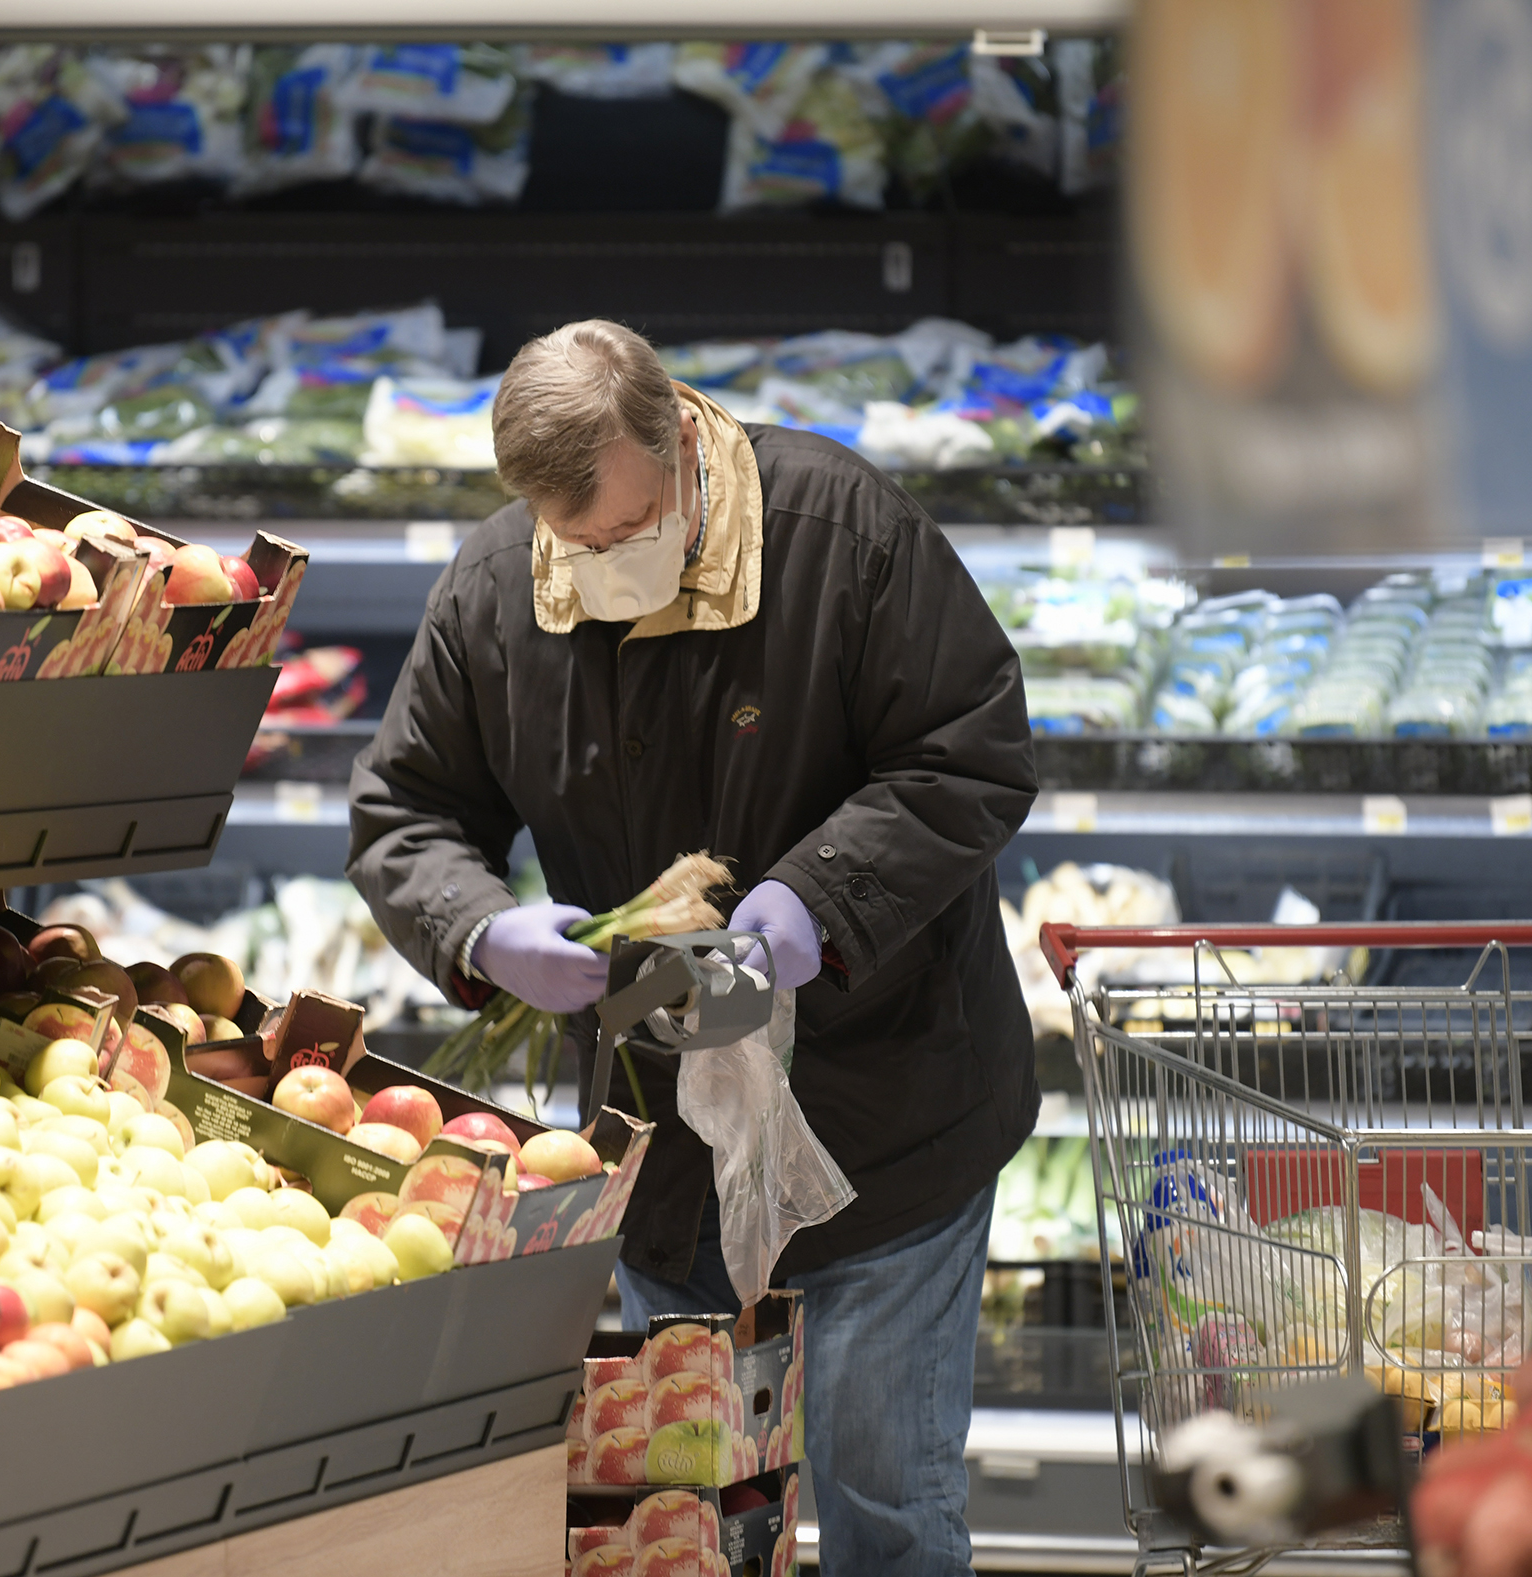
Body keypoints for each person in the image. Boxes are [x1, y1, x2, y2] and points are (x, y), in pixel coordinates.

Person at [347, 319, 1039, 1575]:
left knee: (885, 1502)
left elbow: (968, 753)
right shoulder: (501, 582)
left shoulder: (842, 535)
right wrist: (477, 926)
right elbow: (405, 812)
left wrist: (815, 904)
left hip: (885, 1111)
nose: (596, 561)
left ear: (673, 445)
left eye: (622, 529)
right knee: (689, 1511)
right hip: (663, 1148)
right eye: (571, 541)